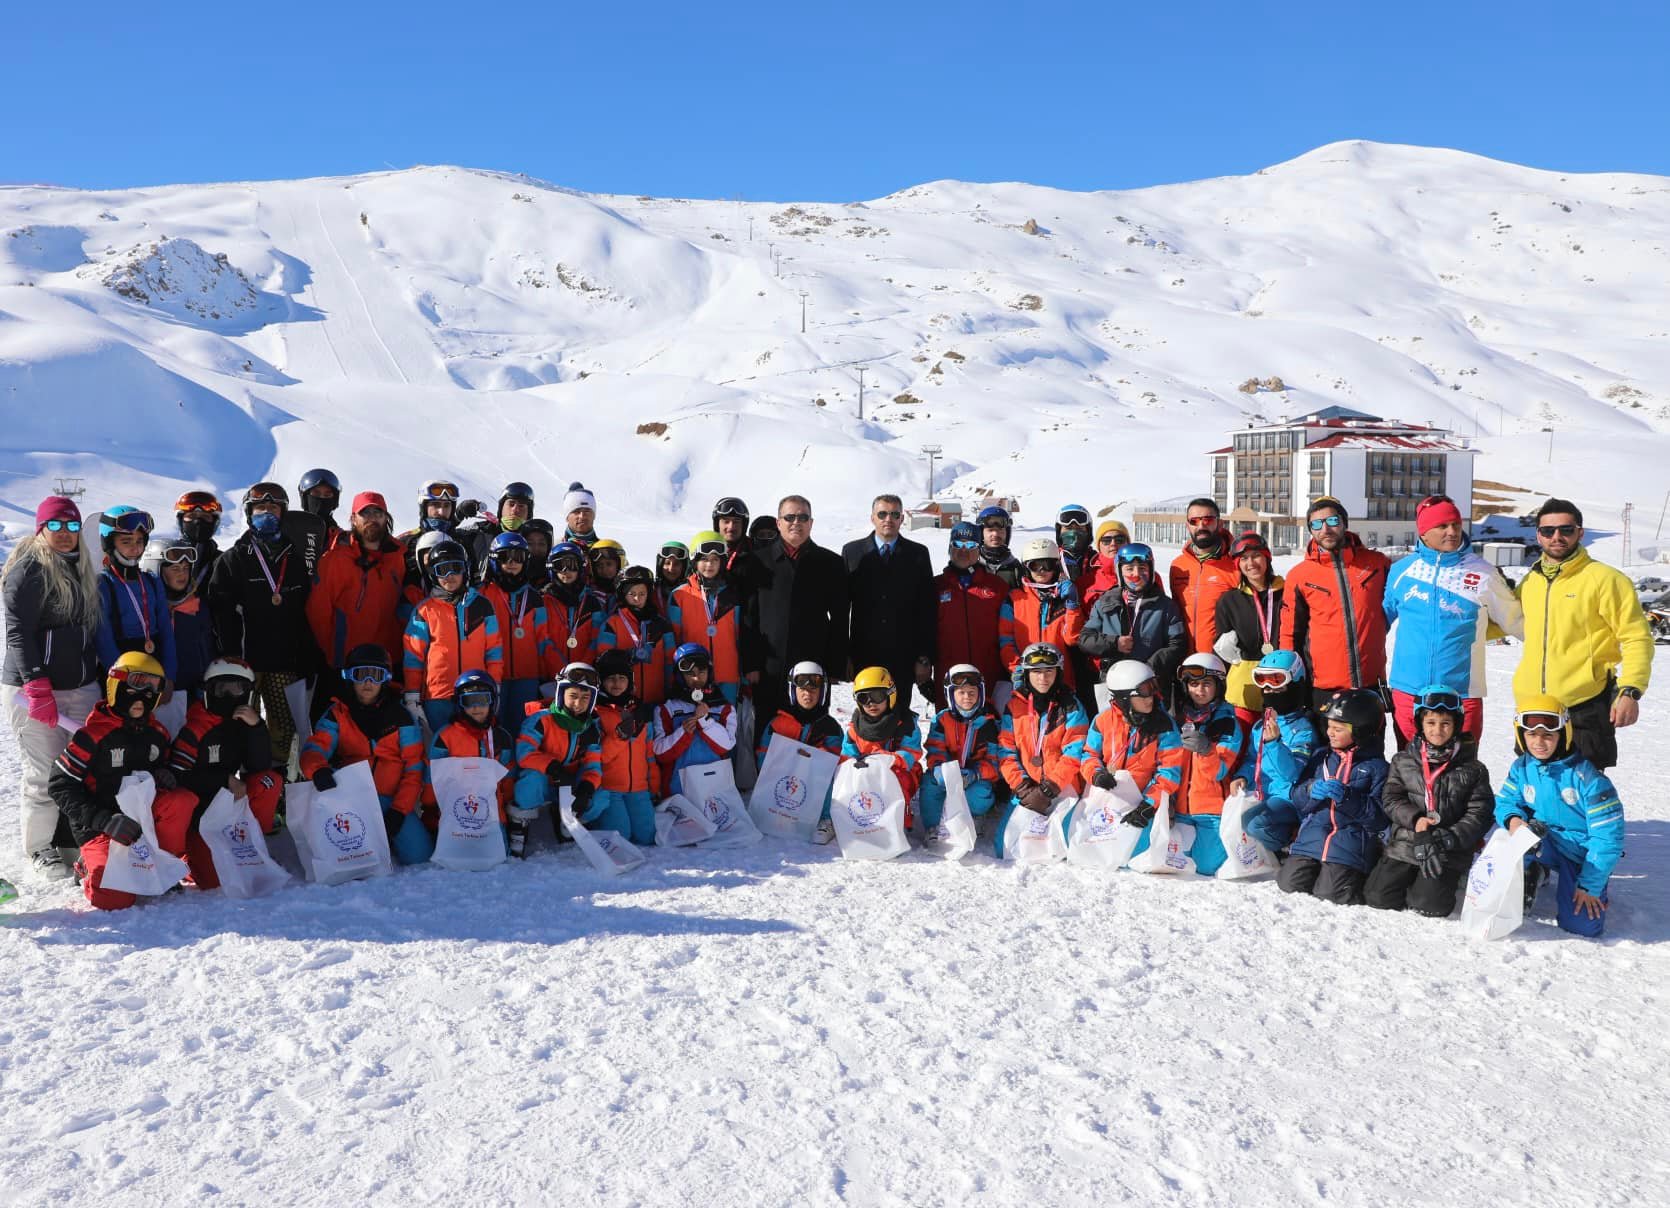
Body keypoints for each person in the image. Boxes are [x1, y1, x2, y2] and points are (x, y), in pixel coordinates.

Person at [2, 496, 104, 877]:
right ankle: (40, 848)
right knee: (44, 772)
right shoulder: (28, 570)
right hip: (35, 691)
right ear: (41, 529)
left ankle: (70, 840)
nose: (65, 534)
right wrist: (36, 686)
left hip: (80, 687)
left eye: (72, 526)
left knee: (79, 768)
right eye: (56, 526)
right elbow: (19, 633)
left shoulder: (81, 568)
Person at [1511, 498, 1651, 771]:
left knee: (1585, 796)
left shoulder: (1605, 579)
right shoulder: (1531, 581)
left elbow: (1636, 637)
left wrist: (1630, 691)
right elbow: (1503, 622)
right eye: (1548, 531)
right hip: (1534, 706)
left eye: (1566, 529)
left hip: (1583, 705)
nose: (1557, 537)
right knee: (1534, 791)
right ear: (1538, 534)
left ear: (1580, 532)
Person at [1383, 495, 1522, 745]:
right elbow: (1377, 623)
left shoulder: (1482, 572)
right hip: (1408, 690)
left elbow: (1516, 621)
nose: (1452, 532)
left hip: (1461, 692)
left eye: (1456, 525)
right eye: (1443, 526)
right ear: (1424, 532)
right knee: (1409, 769)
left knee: (1462, 775)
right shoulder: (1402, 571)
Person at [48, 652, 179, 909]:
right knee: (115, 898)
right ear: (116, 686)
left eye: (152, 687)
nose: (143, 694)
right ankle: (86, 866)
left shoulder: (157, 734)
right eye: (137, 683)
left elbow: (160, 770)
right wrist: (104, 821)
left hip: (139, 825)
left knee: (180, 800)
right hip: (100, 826)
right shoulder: (92, 736)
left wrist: (165, 774)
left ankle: (164, 861)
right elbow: (60, 785)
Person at [206, 483, 317, 771]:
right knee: (240, 721)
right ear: (248, 513)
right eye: (260, 509)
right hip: (244, 664)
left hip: (285, 661)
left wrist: (305, 654)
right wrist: (229, 656)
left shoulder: (295, 559)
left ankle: (277, 781)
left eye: (273, 508)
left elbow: (305, 611)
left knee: (284, 726)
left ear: (283, 513)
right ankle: (240, 777)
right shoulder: (232, 559)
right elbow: (220, 614)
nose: (267, 513)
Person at [1496, 695, 1625, 938]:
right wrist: (1514, 820)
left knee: (1583, 925)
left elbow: (1608, 839)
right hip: (1546, 842)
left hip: (1582, 854)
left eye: (1548, 735)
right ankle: (1531, 871)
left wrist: (1590, 885)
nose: (1539, 742)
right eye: (1531, 735)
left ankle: (1575, 883)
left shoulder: (1589, 779)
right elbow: (1506, 801)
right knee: (1508, 837)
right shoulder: (1522, 766)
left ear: (1563, 734)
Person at [1365, 687, 1494, 918]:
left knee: (1430, 905)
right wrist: (1416, 820)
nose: (1437, 730)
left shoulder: (1473, 768)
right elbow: (1391, 798)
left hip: (1446, 847)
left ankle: (1449, 879)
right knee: (1378, 897)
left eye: (1445, 723)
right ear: (1420, 724)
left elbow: (1480, 813)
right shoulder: (1403, 760)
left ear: (1456, 724)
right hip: (1408, 841)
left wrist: (1449, 837)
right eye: (1431, 723)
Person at [302, 644, 430, 864]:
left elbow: (413, 769)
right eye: (361, 675)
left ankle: (385, 833)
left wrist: (399, 811)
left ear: (385, 679)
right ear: (350, 677)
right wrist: (318, 769)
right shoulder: (338, 713)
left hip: (389, 802)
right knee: (343, 856)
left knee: (419, 855)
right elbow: (315, 748)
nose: (368, 682)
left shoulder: (401, 717)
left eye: (376, 675)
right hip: (350, 799)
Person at [164, 657, 286, 884]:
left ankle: (253, 846)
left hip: (228, 805)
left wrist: (257, 728)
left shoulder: (243, 723)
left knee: (269, 781)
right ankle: (189, 859)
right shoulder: (196, 727)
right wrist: (224, 779)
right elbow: (178, 775)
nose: (230, 697)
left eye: (236, 689)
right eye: (222, 689)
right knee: (212, 881)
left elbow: (259, 767)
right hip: (199, 812)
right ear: (209, 690)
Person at [1279, 498, 1390, 713]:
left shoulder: (1377, 564)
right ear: (1310, 530)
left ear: (1344, 523)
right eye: (1317, 524)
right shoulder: (1300, 575)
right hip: (1324, 687)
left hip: (1370, 683)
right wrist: (1289, 680)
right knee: (1324, 746)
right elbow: (1290, 633)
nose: (1326, 529)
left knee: (1371, 747)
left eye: (1332, 520)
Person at [1280, 689, 1389, 904]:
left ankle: (1361, 876)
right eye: (1329, 727)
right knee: (1289, 884)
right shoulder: (1322, 757)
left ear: (1361, 730)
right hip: (1312, 838)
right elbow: (1298, 799)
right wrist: (1311, 790)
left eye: (1338, 729)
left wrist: (1349, 798)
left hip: (1349, 844)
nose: (1330, 733)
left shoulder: (1377, 768)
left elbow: (1380, 818)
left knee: (1331, 894)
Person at [752, 496, 849, 720]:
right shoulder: (758, 562)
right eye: (790, 517)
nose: (796, 522)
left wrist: (835, 666)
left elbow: (840, 618)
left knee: (810, 732)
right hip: (769, 667)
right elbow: (750, 618)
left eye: (803, 517)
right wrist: (751, 664)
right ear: (778, 523)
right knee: (767, 728)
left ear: (811, 523)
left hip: (812, 665)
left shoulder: (831, 563)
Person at [306, 492, 406, 696]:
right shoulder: (336, 559)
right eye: (365, 513)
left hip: (388, 662)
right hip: (345, 664)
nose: (372, 518)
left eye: (378, 513)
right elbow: (318, 612)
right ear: (353, 518)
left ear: (386, 518)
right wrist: (332, 655)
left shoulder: (399, 556)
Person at [843, 494, 936, 715]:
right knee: (868, 713)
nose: (888, 519)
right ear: (872, 518)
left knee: (899, 714)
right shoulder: (852, 552)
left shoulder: (918, 554)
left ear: (902, 518)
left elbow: (927, 609)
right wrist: (844, 653)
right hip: (864, 654)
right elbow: (842, 607)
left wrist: (924, 656)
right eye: (882, 514)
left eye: (895, 514)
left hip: (903, 655)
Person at [401, 537, 504, 733]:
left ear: (465, 569)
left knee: (472, 749)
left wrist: (494, 686)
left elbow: (494, 652)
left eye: (455, 567)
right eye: (442, 569)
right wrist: (412, 694)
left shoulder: (482, 606)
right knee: (441, 750)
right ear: (433, 574)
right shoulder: (424, 611)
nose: (449, 575)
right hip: (438, 694)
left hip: (476, 694)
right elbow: (414, 657)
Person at [997, 644, 1088, 852]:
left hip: (1063, 788)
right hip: (1027, 788)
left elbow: (1075, 752)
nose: (1043, 678)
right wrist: (1022, 787)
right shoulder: (1014, 707)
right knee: (1004, 846)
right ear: (1027, 674)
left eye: (1049, 671)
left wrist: (1049, 789)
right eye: (1036, 672)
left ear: (1059, 673)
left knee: (1066, 846)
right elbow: (1006, 752)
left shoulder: (1071, 706)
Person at [1081, 660, 1184, 839]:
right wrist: (1096, 774)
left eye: (1152, 692)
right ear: (1124, 698)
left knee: (1135, 849)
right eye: (1143, 694)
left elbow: (1169, 771)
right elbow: (1089, 755)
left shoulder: (1164, 725)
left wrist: (1149, 805)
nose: (1150, 699)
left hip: (1145, 802)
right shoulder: (1103, 720)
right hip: (1107, 798)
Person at [1231, 650, 1319, 856]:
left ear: (1294, 684)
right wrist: (1242, 776)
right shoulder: (1260, 726)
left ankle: (1288, 844)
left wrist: (1274, 743)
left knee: (1253, 823)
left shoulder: (1302, 730)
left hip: (1286, 798)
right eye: (1262, 680)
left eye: (1276, 681)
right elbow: (1253, 760)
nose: (1268, 689)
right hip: (1260, 793)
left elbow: (1293, 774)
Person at [511, 664, 604, 853]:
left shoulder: (591, 729)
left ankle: (571, 819)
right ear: (561, 694)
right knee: (531, 779)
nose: (578, 704)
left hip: (569, 784)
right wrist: (552, 767)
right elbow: (524, 753)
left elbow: (593, 766)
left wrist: (586, 788)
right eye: (573, 696)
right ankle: (519, 824)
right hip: (545, 781)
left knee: (600, 795)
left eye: (585, 698)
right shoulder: (541, 720)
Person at [1077, 542, 1186, 701]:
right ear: (1119, 572)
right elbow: (1085, 639)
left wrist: (1150, 667)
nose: (1136, 574)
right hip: (1114, 683)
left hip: (1150, 684)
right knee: (1113, 724)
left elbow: (1177, 644)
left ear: (1151, 570)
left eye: (1142, 568)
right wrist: (1115, 644)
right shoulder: (1106, 602)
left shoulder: (1165, 606)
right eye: (1129, 569)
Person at [1171, 652, 1245, 876]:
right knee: (1174, 863)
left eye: (1206, 684)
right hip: (1181, 809)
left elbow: (1220, 771)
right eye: (1193, 684)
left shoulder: (1227, 722)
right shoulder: (1179, 718)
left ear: (1218, 687)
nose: (1199, 691)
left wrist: (1206, 750)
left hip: (1211, 812)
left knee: (1205, 867)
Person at [427, 669, 515, 853]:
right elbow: (432, 777)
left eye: (482, 700)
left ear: (492, 702)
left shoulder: (501, 737)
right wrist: (430, 806)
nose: (476, 708)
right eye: (469, 702)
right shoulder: (446, 736)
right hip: (453, 810)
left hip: (491, 813)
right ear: (459, 705)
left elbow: (508, 775)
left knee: (500, 853)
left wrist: (507, 805)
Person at [754, 661, 843, 842]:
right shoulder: (778, 723)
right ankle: (772, 812)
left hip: (813, 786)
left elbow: (834, 762)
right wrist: (789, 757)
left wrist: (815, 756)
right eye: (802, 689)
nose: (807, 694)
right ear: (792, 690)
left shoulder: (830, 726)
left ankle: (825, 819)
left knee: (830, 775)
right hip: (784, 783)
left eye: (813, 690)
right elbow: (763, 757)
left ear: (823, 691)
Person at [920, 664, 1005, 847]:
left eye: (972, 693)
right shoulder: (942, 720)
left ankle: (973, 818)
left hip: (975, 775)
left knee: (979, 794)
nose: (967, 697)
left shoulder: (988, 723)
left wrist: (976, 773)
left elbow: (994, 759)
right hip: (948, 773)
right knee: (929, 786)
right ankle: (934, 827)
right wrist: (938, 768)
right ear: (951, 695)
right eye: (961, 693)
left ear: (980, 694)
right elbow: (935, 748)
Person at [668, 532, 756, 704]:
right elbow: (674, 639)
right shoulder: (679, 595)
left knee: (727, 727)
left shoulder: (733, 593)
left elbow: (741, 636)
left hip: (727, 675)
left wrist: (744, 676)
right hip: (693, 675)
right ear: (695, 561)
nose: (710, 565)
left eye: (715, 559)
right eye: (704, 559)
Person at [95, 506, 177, 686]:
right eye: (126, 542)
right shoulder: (103, 584)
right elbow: (103, 638)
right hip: (121, 672)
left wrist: (169, 677)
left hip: (155, 667)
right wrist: (124, 679)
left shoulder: (152, 581)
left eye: (140, 541)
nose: (135, 548)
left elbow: (165, 631)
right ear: (109, 544)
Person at [931, 521, 1008, 707]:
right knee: (948, 732)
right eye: (957, 544)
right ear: (949, 548)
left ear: (979, 548)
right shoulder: (935, 587)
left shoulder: (997, 587)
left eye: (970, 545)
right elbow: (924, 632)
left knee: (989, 732)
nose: (963, 550)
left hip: (989, 678)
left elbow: (1008, 633)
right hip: (950, 680)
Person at [477, 532, 552, 723]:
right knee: (494, 725)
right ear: (494, 560)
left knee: (523, 725)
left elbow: (543, 640)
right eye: (504, 557)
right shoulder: (482, 594)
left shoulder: (534, 598)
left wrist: (551, 673)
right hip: (492, 675)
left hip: (527, 676)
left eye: (517, 557)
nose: (511, 562)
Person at [142, 536, 213, 733]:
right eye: (174, 568)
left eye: (185, 568)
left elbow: (206, 646)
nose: (182, 574)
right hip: (156, 694)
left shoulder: (197, 606)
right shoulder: (146, 609)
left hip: (191, 691)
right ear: (155, 569)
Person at [1213, 531, 1286, 723]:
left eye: (1256, 556)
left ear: (1267, 558)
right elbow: (1222, 649)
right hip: (1242, 691)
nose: (1251, 563)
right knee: (1243, 748)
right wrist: (1223, 646)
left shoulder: (1285, 594)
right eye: (1244, 558)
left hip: (1281, 685)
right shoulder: (1229, 601)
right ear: (1238, 564)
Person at [999, 538, 1085, 691]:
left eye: (1047, 565)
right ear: (1026, 568)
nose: (1042, 571)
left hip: (1060, 679)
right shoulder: (1014, 599)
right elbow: (1006, 641)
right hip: (1027, 677)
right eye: (1035, 566)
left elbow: (1072, 639)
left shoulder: (1063, 598)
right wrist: (1018, 669)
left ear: (1056, 567)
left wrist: (1072, 605)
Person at [593, 649, 660, 846]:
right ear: (601, 682)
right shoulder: (597, 712)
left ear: (629, 681)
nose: (616, 683)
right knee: (621, 838)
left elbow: (650, 754)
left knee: (647, 837)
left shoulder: (640, 711)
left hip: (639, 788)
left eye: (622, 678)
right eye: (610, 678)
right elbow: (598, 757)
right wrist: (620, 737)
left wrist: (654, 785)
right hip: (610, 788)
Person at [841, 667, 924, 824]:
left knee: (898, 780)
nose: (871, 703)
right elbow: (846, 755)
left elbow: (911, 753)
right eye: (864, 698)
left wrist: (882, 761)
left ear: (890, 695)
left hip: (899, 772)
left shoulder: (906, 723)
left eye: (877, 696)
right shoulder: (856, 727)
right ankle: (852, 819)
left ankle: (898, 821)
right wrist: (853, 765)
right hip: (865, 775)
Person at [652, 644, 739, 781]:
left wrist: (706, 721)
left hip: (714, 789)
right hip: (678, 789)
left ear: (709, 673)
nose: (697, 678)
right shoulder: (666, 709)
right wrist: (683, 732)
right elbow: (660, 753)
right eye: (690, 674)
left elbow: (726, 746)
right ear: (680, 676)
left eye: (701, 672)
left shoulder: (724, 708)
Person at [596, 565, 676, 706]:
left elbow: (670, 661)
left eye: (642, 593)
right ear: (623, 594)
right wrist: (628, 656)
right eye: (632, 594)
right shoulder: (612, 624)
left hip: (657, 699)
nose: (637, 598)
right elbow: (604, 661)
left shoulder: (662, 625)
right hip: (623, 702)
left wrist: (671, 690)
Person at [1168, 498, 1237, 655]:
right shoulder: (1178, 566)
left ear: (1220, 524)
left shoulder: (1236, 565)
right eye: (1194, 521)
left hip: (1223, 661)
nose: (1201, 526)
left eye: (1208, 519)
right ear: (1187, 526)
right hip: (1185, 660)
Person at [540, 542, 604, 670]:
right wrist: (560, 667)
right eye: (560, 565)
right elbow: (542, 638)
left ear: (580, 568)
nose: (566, 571)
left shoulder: (592, 602)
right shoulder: (543, 601)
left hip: (583, 673)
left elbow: (596, 639)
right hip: (550, 673)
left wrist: (582, 667)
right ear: (551, 568)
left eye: (572, 566)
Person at [173, 489, 224, 586]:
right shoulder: (168, 556)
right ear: (180, 520)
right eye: (191, 516)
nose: (198, 521)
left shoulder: (224, 561)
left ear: (214, 523)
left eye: (205, 517)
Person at [975, 505, 1024, 588]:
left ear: (1007, 533)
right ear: (981, 533)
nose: (995, 534)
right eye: (990, 530)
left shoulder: (1016, 569)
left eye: (1000, 530)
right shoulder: (972, 566)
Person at [297, 468, 347, 549]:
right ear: (305, 499)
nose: (322, 499)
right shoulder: (291, 531)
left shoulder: (343, 539)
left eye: (327, 495)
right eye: (316, 494)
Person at [562, 484, 601, 549]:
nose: (582, 516)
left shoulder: (605, 550)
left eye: (587, 511)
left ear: (594, 516)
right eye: (576, 511)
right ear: (567, 517)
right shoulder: (552, 548)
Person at [521, 518, 556, 589]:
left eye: (541, 543)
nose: (536, 548)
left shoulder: (557, 577)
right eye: (530, 543)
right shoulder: (513, 574)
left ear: (548, 547)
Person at [655, 540, 690, 611]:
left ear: (684, 568)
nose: (671, 568)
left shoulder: (692, 592)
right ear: (660, 565)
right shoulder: (651, 590)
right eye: (667, 563)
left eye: (676, 564)